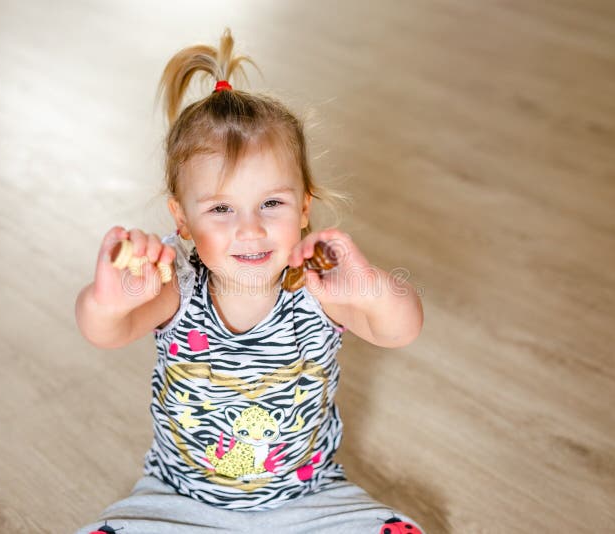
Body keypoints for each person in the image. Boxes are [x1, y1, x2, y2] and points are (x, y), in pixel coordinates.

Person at [74, 28, 425, 534]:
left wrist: (369, 287)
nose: (250, 228)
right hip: (176, 498)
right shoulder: (174, 281)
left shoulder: (319, 282)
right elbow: (103, 331)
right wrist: (110, 300)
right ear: (182, 219)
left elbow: (402, 329)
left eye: (272, 203)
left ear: (304, 206)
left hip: (311, 494)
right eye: (220, 208)